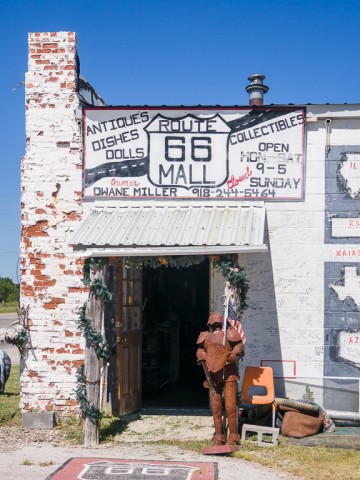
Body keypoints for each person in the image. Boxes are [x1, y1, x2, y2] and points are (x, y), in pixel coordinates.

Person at [196, 311, 243, 446]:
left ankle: (233, 435)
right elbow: (199, 351)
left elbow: (238, 349)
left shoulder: (230, 333)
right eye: (213, 324)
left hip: (229, 374)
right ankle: (218, 435)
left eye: (218, 324)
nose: (215, 326)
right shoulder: (205, 336)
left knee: (230, 405)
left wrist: (229, 356)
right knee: (216, 406)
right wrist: (207, 357)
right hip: (213, 375)